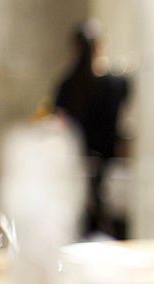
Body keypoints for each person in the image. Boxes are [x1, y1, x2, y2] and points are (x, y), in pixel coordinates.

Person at [52, 20, 130, 238]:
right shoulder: (117, 83)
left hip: (77, 166)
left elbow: (58, 126)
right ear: (100, 46)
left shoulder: (67, 85)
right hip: (109, 167)